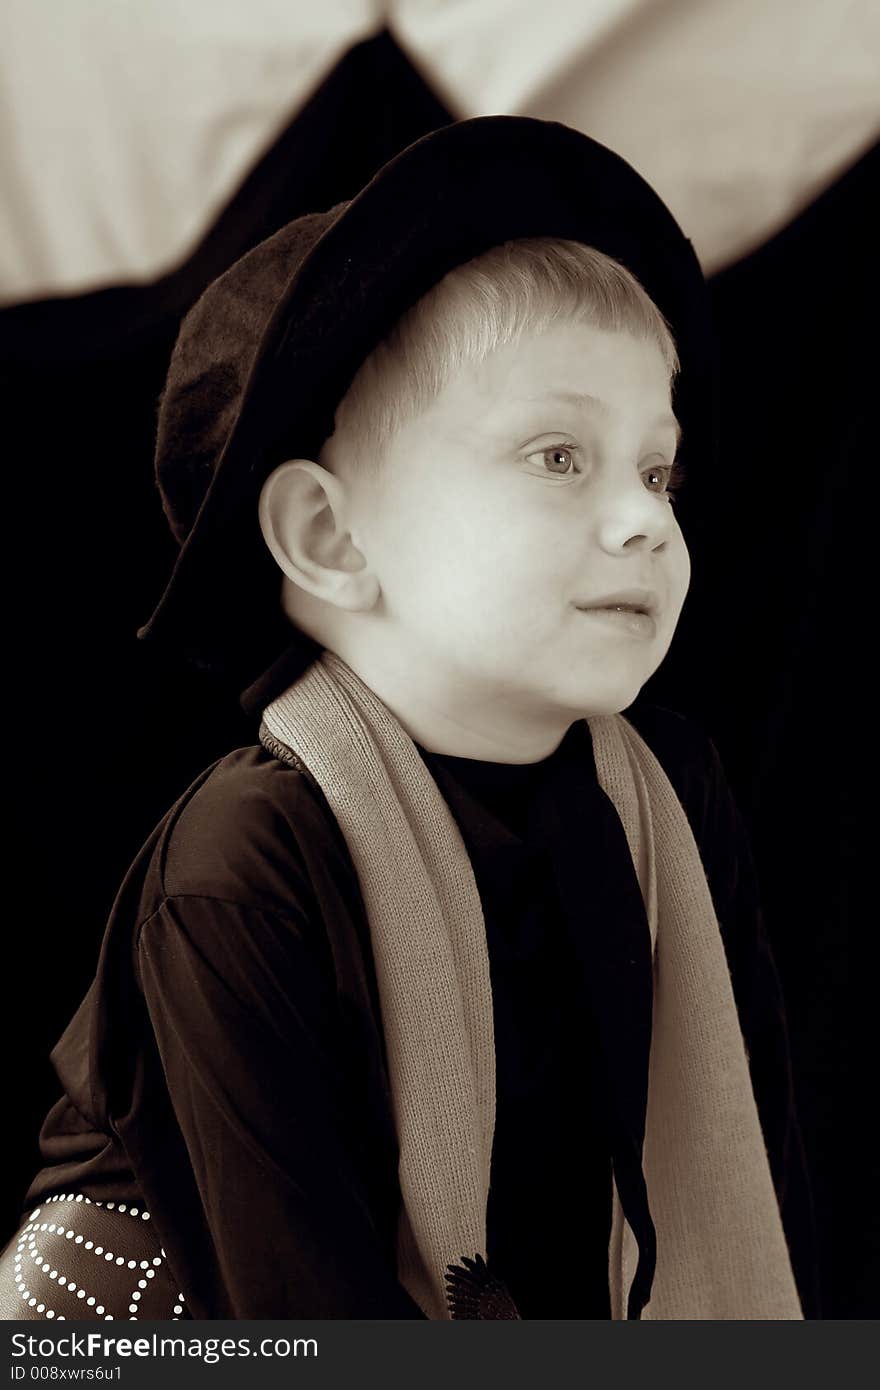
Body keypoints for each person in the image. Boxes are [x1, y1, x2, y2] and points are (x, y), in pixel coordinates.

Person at [0, 116, 819, 1321]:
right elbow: (296, 1309)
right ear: (331, 541)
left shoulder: (671, 799)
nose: (646, 520)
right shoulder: (247, 859)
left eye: (658, 471)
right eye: (557, 455)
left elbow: (766, 1179)